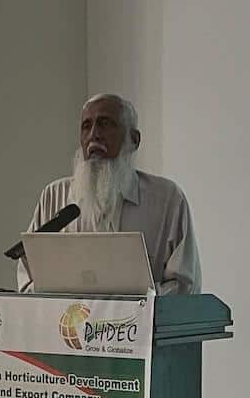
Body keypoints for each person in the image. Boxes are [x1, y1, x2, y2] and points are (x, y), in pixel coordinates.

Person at [17, 93, 202, 295]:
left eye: (105, 124)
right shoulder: (54, 196)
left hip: (145, 317)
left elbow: (184, 287)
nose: (94, 135)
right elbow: (29, 278)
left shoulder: (167, 200)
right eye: (86, 126)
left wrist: (124, 306)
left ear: (134, 140)